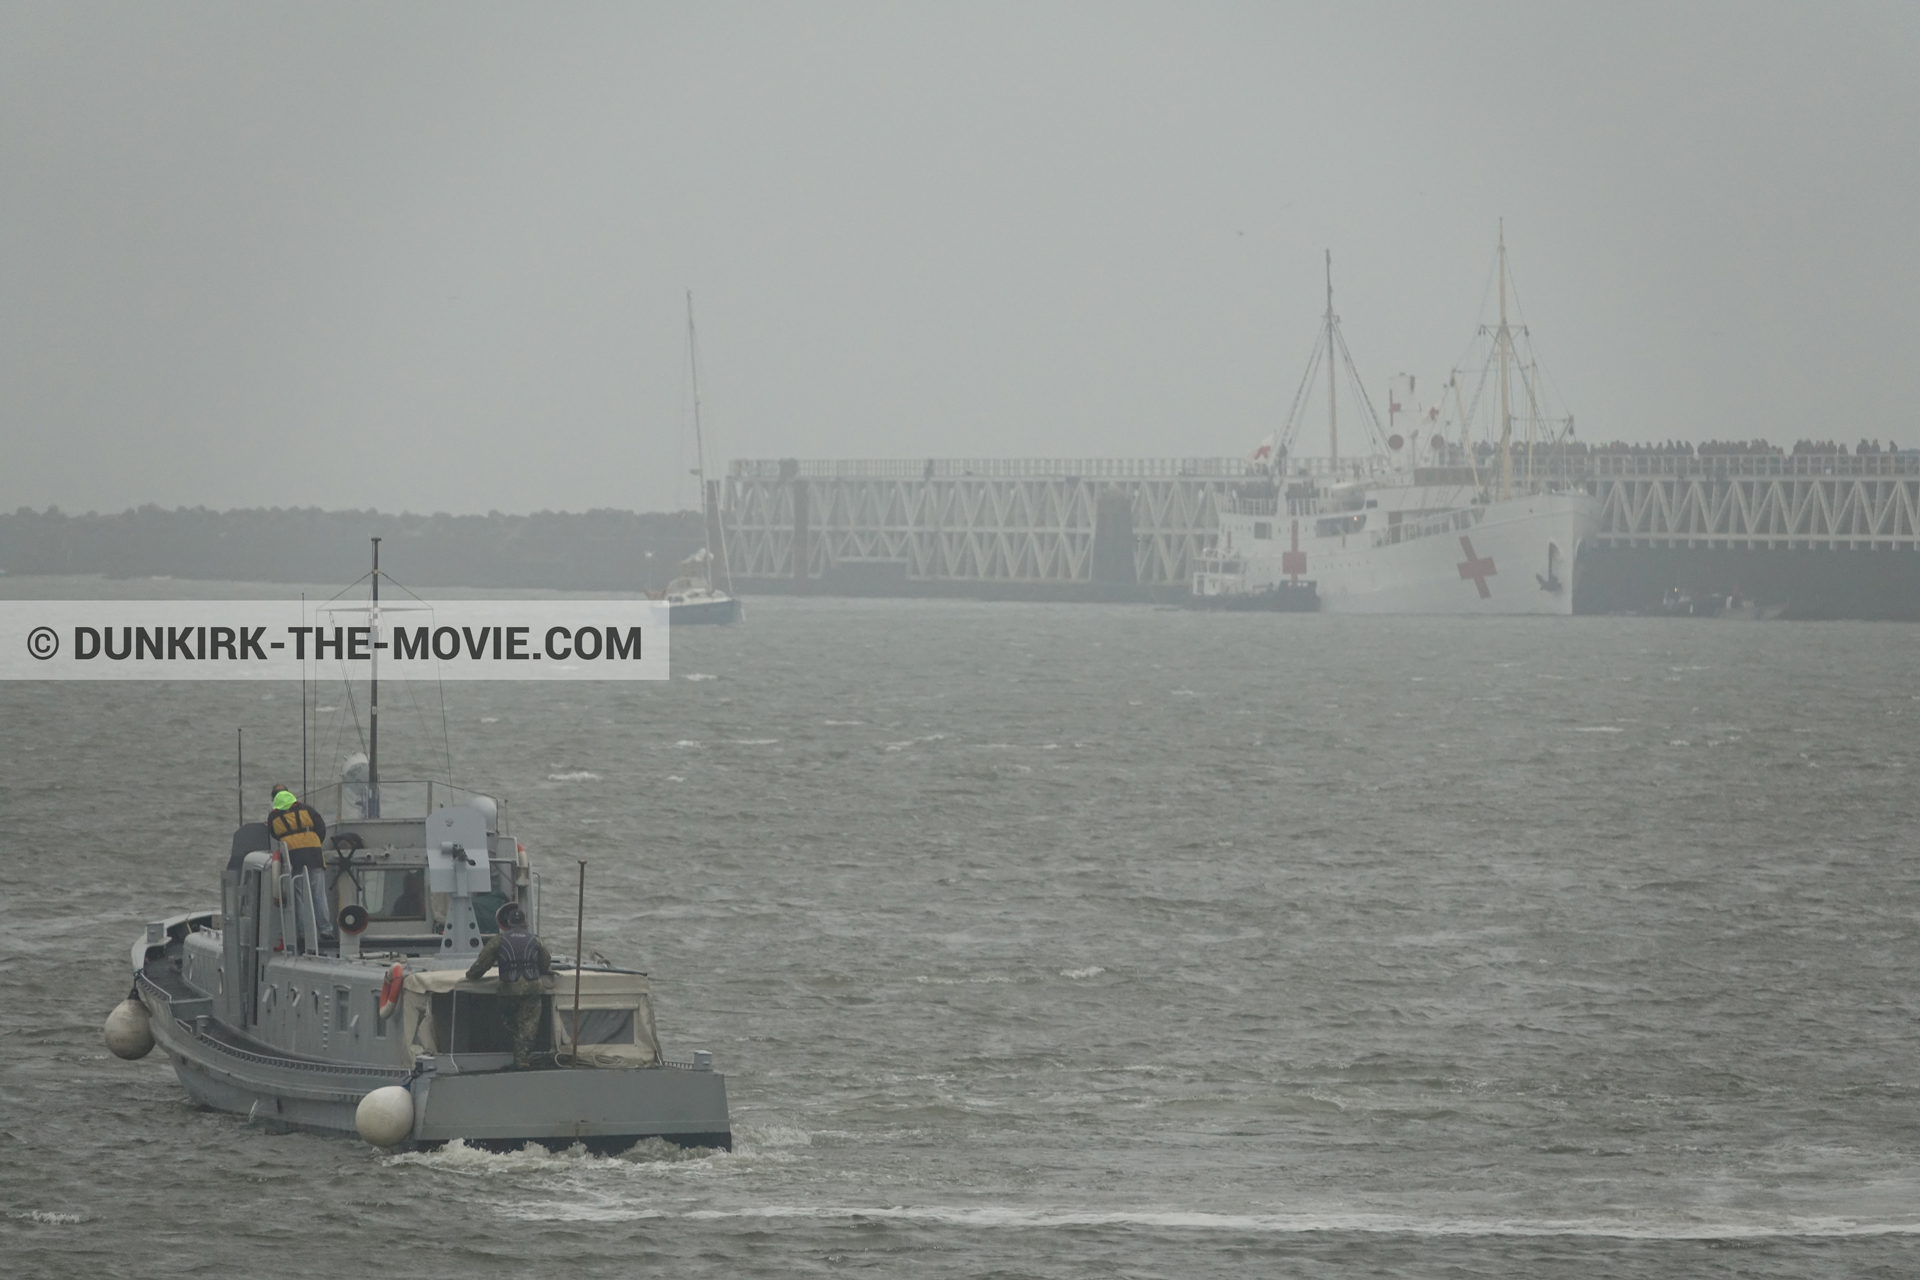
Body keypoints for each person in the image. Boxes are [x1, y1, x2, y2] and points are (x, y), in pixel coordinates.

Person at [466, 903, 552, 1068]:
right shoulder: (535, 940)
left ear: (508, 923)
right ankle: (522, 1060)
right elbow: (546, 960)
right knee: (528, 1026)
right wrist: (538, 971)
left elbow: (482, 964)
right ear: (525, 923)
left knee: (509, 1021)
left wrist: (471, 975)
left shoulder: (498, 940)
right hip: (532, 987)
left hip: (508, 989)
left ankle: (518, 1057)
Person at [267, 785, 334, 944]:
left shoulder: (274, 817)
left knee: (299, 897)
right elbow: (321, 827)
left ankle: (304, 932)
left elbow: (274, 834)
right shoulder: (306, 809)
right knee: (319, 895)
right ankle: (325, 930)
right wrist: (315, 841)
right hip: (314, 854)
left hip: (293, 856)